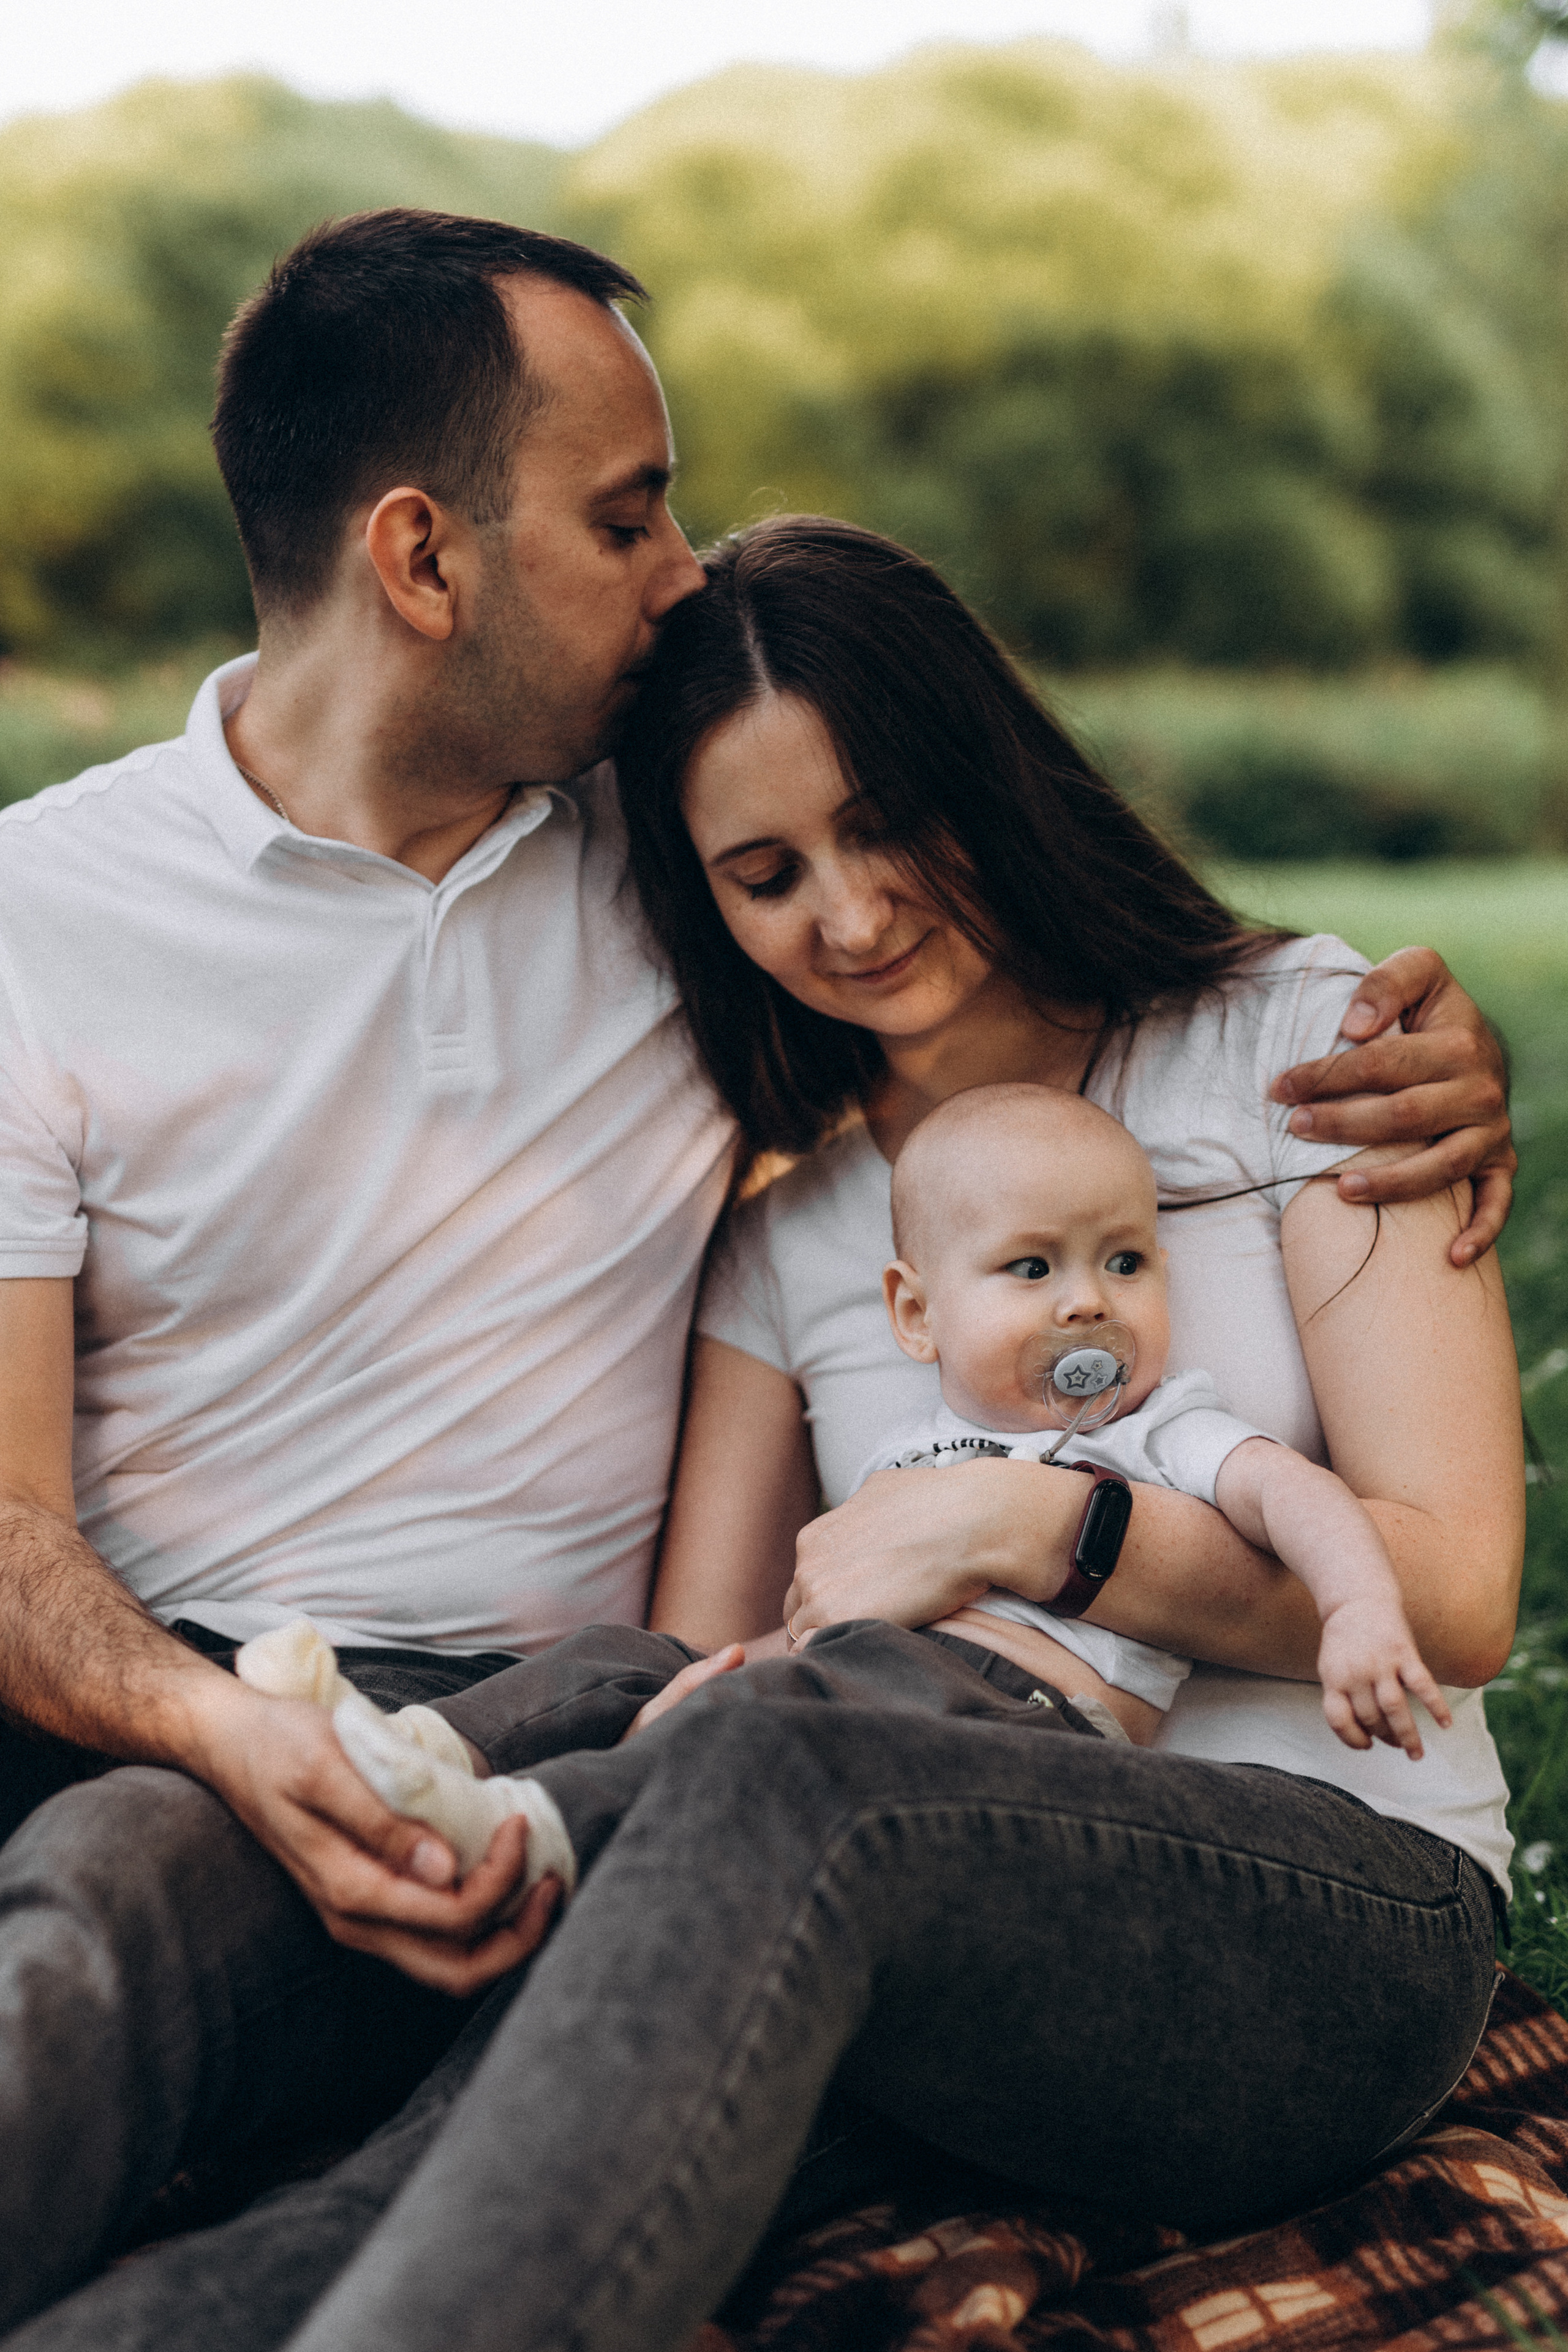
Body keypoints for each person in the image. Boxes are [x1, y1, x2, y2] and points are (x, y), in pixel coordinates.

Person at [0, 217, 1515, 2338]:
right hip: (834, 1828)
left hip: (1298, 1862)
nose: (851, 908)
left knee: (767, 1775)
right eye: (768, 873)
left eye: (891, 818)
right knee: (178, 1881)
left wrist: (1041, 1523)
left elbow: (1450, 1602)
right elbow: (695, 1664)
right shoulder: (795, 1210)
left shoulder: (1312, 1050)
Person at [862, 1080, 1449, 1757]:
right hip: (865, 1676)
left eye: (1124, 1262)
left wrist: (1354, 1608)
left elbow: (1292, 1493)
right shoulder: (903, 1456)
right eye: (1031, 1267)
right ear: (915, 1313)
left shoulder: (1158, 1428)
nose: (1087, 1301)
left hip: (1027, 1712)